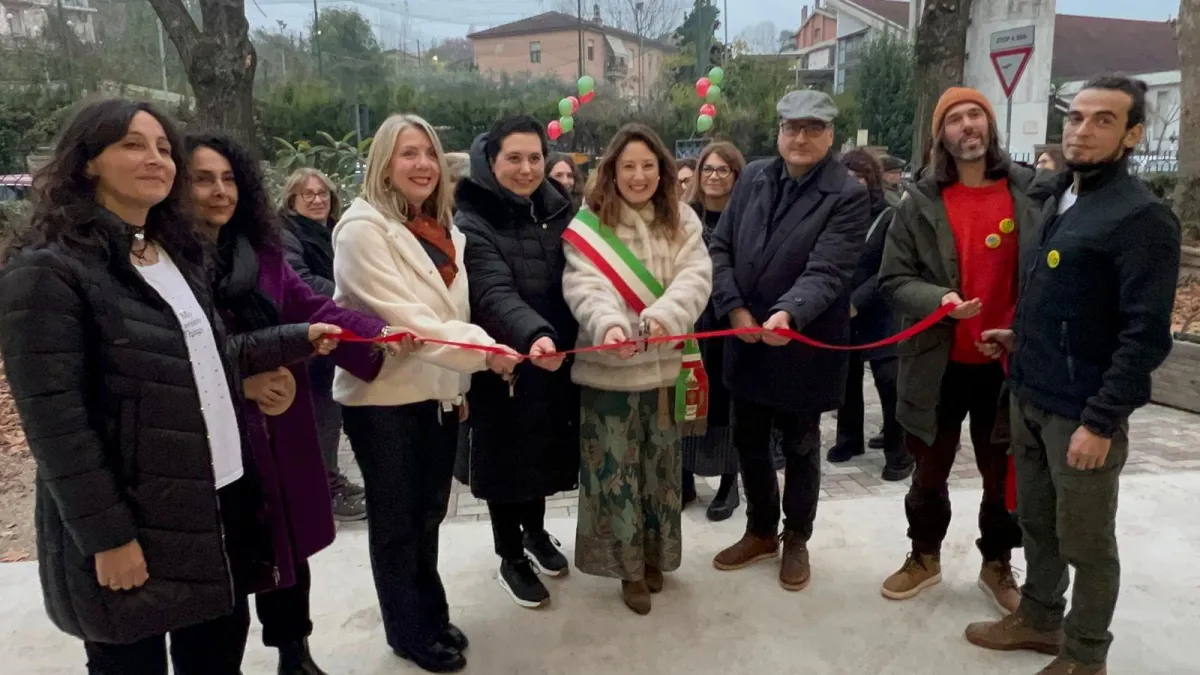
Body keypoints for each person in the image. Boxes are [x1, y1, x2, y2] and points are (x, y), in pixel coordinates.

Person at [0, 99, 326, 675]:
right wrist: (108, 538)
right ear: (87, 163)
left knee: (216, 660)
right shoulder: (47, 271)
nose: (155, 159)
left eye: (163, 148)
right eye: (132, 144)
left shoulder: (171, 253)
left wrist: (295, 338)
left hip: (215, 503)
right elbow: (56, 424)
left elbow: (204, 358)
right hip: (133, 522)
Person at [965, 76, 1181, 675]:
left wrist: (1103, 420)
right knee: (1036, 520)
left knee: (1086, 540)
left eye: (1102, 120)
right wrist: (1020, 338)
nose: (1081, 130)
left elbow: (1144, 336)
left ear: (1133, 134)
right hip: (1030, 394)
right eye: (1076, 117)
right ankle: (1038, 618)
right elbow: (1065, 299)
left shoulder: (1141, 218)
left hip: (1081, 414)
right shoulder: (1059, 196)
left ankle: (1086, 655)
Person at [187, 133, 406, 675]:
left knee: (288, 551)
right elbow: (173, 355)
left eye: (229, 178)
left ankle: (295, 652)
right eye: (203, 179)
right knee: (230, 561)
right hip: (211, 439)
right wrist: (244, 384)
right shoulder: (166, 263)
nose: (219, 192)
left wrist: (381, 333)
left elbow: (313, 306)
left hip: (279, 430)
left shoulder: (257, 251)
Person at [331, 113, 521, 674]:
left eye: (430, 154)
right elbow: (409, 322)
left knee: (430, 513)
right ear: (384, 164)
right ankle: (407, 631)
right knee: (397, 521)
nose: (422, 165)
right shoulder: (362, 230)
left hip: (436, 394)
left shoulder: (444, 232)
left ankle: (430, 613)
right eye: (407, 153)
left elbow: (450, 312)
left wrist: (457, 383)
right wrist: (487, 352)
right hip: (384, 402)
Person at [877, 87, 1036, 614]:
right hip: (936, 362)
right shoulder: (918, 201)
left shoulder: (1029, 194)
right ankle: (923, 556)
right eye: (955, 119)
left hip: (1007, 365)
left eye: (976, 116)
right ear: (940, 135)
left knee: (1002, 472)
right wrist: (939, 299)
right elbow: (893, 280)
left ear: (989, 126)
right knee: (929, 469)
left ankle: (997, 564)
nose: (967, 126)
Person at [709, 90, 868, 592]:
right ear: (778, 131)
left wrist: (787, 313)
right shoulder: (754, 176)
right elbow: (721, 247)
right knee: (747, 439)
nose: (799, 138)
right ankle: (760, 530)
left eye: (812, 128)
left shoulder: (846, 193)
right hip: (746, 337)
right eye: (790, 127)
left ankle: (796, 536)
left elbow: (828, 269)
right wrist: (734, 308)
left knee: (799, 446)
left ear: (830, 135)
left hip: (802, 343)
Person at [563, 123, 711, 615]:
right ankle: (627, 569)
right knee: (614, 475)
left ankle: (654, 557)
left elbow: (696, 277)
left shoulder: (683, 219)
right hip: (609, 373)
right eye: (628, 165)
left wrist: (663, 317)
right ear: (612, 170)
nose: (638, 175)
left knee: (660, 472)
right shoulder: (591, 222)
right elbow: (584, 285)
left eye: (648, 165)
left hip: (666, 372)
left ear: (663, 169)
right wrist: (608, 324)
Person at [453, 116, 580, 609]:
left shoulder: (558, 209)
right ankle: (510, 556)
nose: (527, 169)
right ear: (491, 160)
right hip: (506, 363)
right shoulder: (473, 219)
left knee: (542, 456)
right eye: (514, 158)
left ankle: (536, 532)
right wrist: (536, 336)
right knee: (507, 465)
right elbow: (491, 291)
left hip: (555, 359)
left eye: (535, 158)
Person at [279, 168, 368, 522]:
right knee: (321, 417)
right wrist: (349, 293)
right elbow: (299, 281)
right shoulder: (286, 234)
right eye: (308, 195)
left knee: (329, 415)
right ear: (292, 200)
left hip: (330, 334)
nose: (317, 200)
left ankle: (329, 480)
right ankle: (326, 490)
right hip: (307, 339)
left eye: (323, 195)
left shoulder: (329, 231)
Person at [826, 149, 912, 481]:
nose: (853, 184)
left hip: (882, 313)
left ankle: (898, 452)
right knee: (845, 382)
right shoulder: (836, 217)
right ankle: (849, 441)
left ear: (872, 180)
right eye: (847, 177)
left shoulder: (890, 215)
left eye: (860, 177)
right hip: (843, 313)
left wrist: (856, 301)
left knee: (889, 384)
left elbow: (888, 270)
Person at [679, 140, 749, 522]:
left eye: (724, 170)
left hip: (729, 323)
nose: (714, 177)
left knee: (725, 401)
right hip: (689, 321)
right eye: (708, 169)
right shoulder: (683, 217)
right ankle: (684, 477)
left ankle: (728, 483)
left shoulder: (748, 218)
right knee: (687, 396)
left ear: (737, 176)